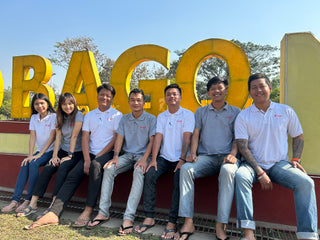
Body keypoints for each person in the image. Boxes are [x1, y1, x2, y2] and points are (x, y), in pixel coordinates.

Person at [25, 83, 122, 230]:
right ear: (97, 96)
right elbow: (84, 137)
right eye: (102, 94)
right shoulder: (90, 115)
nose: (105, 98)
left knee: (95, 167)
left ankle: (88, 209)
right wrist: (87, 159)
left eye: (108, 95)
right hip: (89, 153)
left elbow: (115, 139)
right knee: (73, 174)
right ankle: (54, 213)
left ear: (112, 98)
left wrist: (96, 158)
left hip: (107, 153)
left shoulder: (117, 115)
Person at [235, 73, 318, 240]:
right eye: (254, 88)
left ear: (270, 88)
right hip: (252, 165)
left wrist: (295, 159)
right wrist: (259, 171)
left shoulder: (285, 111)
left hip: (279, 165)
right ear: (250, 92)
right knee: (240, 176)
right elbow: (242, 147)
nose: (258, 90)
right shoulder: (243, 115)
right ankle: (248, 232)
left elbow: (298, 137)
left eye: (262, 86)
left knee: (306, 183)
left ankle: (308, 235)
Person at [175, 77, 240, 240]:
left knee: (227, 172)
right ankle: (188, 222)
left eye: (220, 88)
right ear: (208, 92)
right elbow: (196, 134)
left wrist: (233, 153)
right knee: (186, 169)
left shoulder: (235, 112)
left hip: (227, 158)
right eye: (213, 89)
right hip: (206, 157)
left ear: (226, 90)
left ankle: (220, 225)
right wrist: (193, 153)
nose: (216, 91)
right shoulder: (201, 112)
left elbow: (238, 138)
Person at [87, 88, 156, 236]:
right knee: (109, 169)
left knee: (138, 172)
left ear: (144, 102)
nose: (135, 102)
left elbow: (152, 141)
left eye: (138, 100)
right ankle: (103, 212)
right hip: (127, 155)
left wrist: (144, 159)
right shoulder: (124, 119)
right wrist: (116, 156)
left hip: (143, 157)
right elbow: (119, 138)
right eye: (132, 100)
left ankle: (128, 218)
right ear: (129, 101)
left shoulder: (151, 119)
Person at [135, 83, 195, 240]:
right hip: (164, 158)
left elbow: (187, 137)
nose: (172, 96)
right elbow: (158, 138)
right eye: (169, 94)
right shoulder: (161, 116)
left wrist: (182, 159)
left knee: (178, 180)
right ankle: (149, 216)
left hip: (181, 159)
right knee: (150, 174)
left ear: (180, 97)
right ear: (165, 98)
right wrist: (153, 159)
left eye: (175, 94)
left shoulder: (188, 115)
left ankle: (172, 222)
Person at [16, 93, 84, 218]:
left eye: (70, 103)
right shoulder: (59, 116)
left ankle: (52, 205)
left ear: (74, 104)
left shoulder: (78, 115)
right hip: (63, 150)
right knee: (48, 168)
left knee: (63, 168)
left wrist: (70, 155)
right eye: (64, 104)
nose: (67, 106)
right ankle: (33, 203)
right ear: (60, 106)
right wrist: (54, 156)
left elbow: (74, 136)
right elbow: (57, 137)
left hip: (76, 152)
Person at [1, 93, 56, 213]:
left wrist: (39, 155)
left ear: (47, 103)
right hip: (38, 152)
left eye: (42, 103)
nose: (39, 106)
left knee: (34, 164)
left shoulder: (53, 117)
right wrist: (30, 155)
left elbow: (52, 137)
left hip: (50, 151)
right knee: (26, 163)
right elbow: (32, 137)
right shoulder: (34, 118)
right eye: (36, 104)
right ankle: (15, 201)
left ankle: (28, 199)